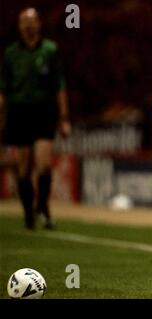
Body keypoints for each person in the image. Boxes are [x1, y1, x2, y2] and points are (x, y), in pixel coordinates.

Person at [0, 8, 71, 230]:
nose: (28, 25)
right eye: (24, 22)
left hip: (43, 112)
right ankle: (29, 214)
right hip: (19, 112)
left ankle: (42, 206)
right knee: (23, 167)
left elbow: (59, 85)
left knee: (44, 165)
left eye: (32, 21)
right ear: (19, 25)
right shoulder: (10, 53)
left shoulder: (50, 50)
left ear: (39, 24)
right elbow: (4, 89)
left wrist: (64, 117)